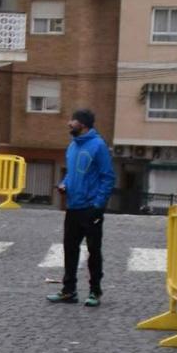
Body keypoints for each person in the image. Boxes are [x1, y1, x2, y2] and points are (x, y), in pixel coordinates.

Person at [48, 108, 115, 307]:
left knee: (93, 251)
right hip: (73, 207)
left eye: (73, 120)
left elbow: (108, 177)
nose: (69, 123)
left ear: (83, 124)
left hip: (91, 208)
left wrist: (98, 204)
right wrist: (64, 184)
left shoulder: (98, 146)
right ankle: (69, 290)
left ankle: (95, 291)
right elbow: (72, 174)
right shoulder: (72, 146)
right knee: (70, 249)